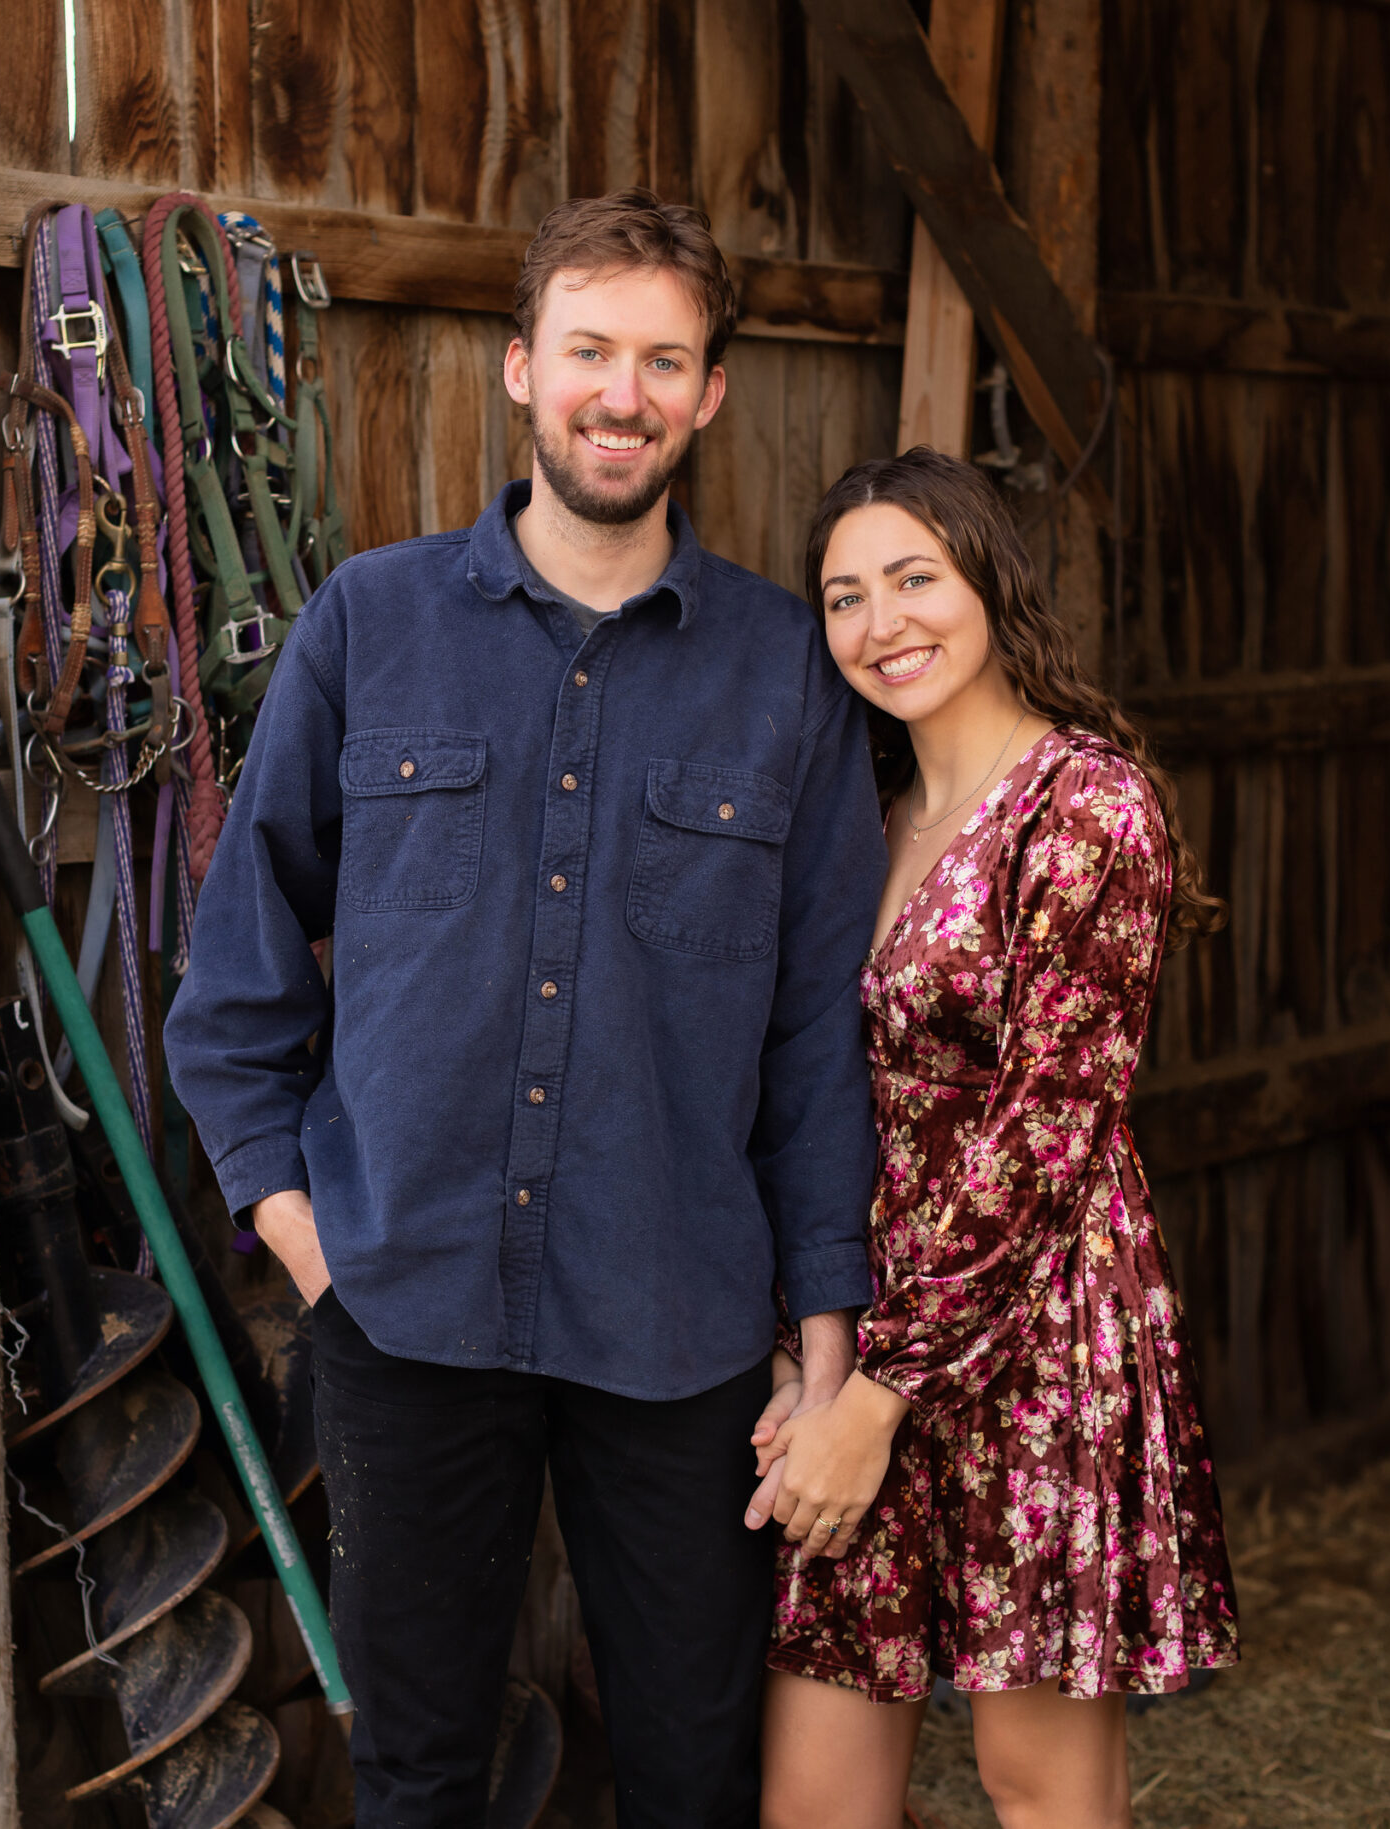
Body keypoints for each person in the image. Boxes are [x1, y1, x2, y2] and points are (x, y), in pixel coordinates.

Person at [163, 190, 889, 1827]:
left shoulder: (786, 672)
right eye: (589, 352)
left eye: (663, 361)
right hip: (403, 1309)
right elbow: (234, 979)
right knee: (418, 1774)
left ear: (708, 394)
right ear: (520, 368)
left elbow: (816, 1044)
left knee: (694, 1776)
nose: (621, 394)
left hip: (682, 1322)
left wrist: (829, 1339)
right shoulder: (371, 623)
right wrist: (308, 1240)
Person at [747, 449, 1241, 1829]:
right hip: (866, 1336)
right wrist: (808, 1347)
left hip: (1036, 1338)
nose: (882, 622)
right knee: (814, 1800)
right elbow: (812, 1095)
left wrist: (879, 1396)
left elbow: (1044, 1133)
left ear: (990, 583)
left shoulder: (1086, 803)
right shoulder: (866, 818)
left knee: (1039, 1793)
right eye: (845, 596)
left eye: (915, 578)